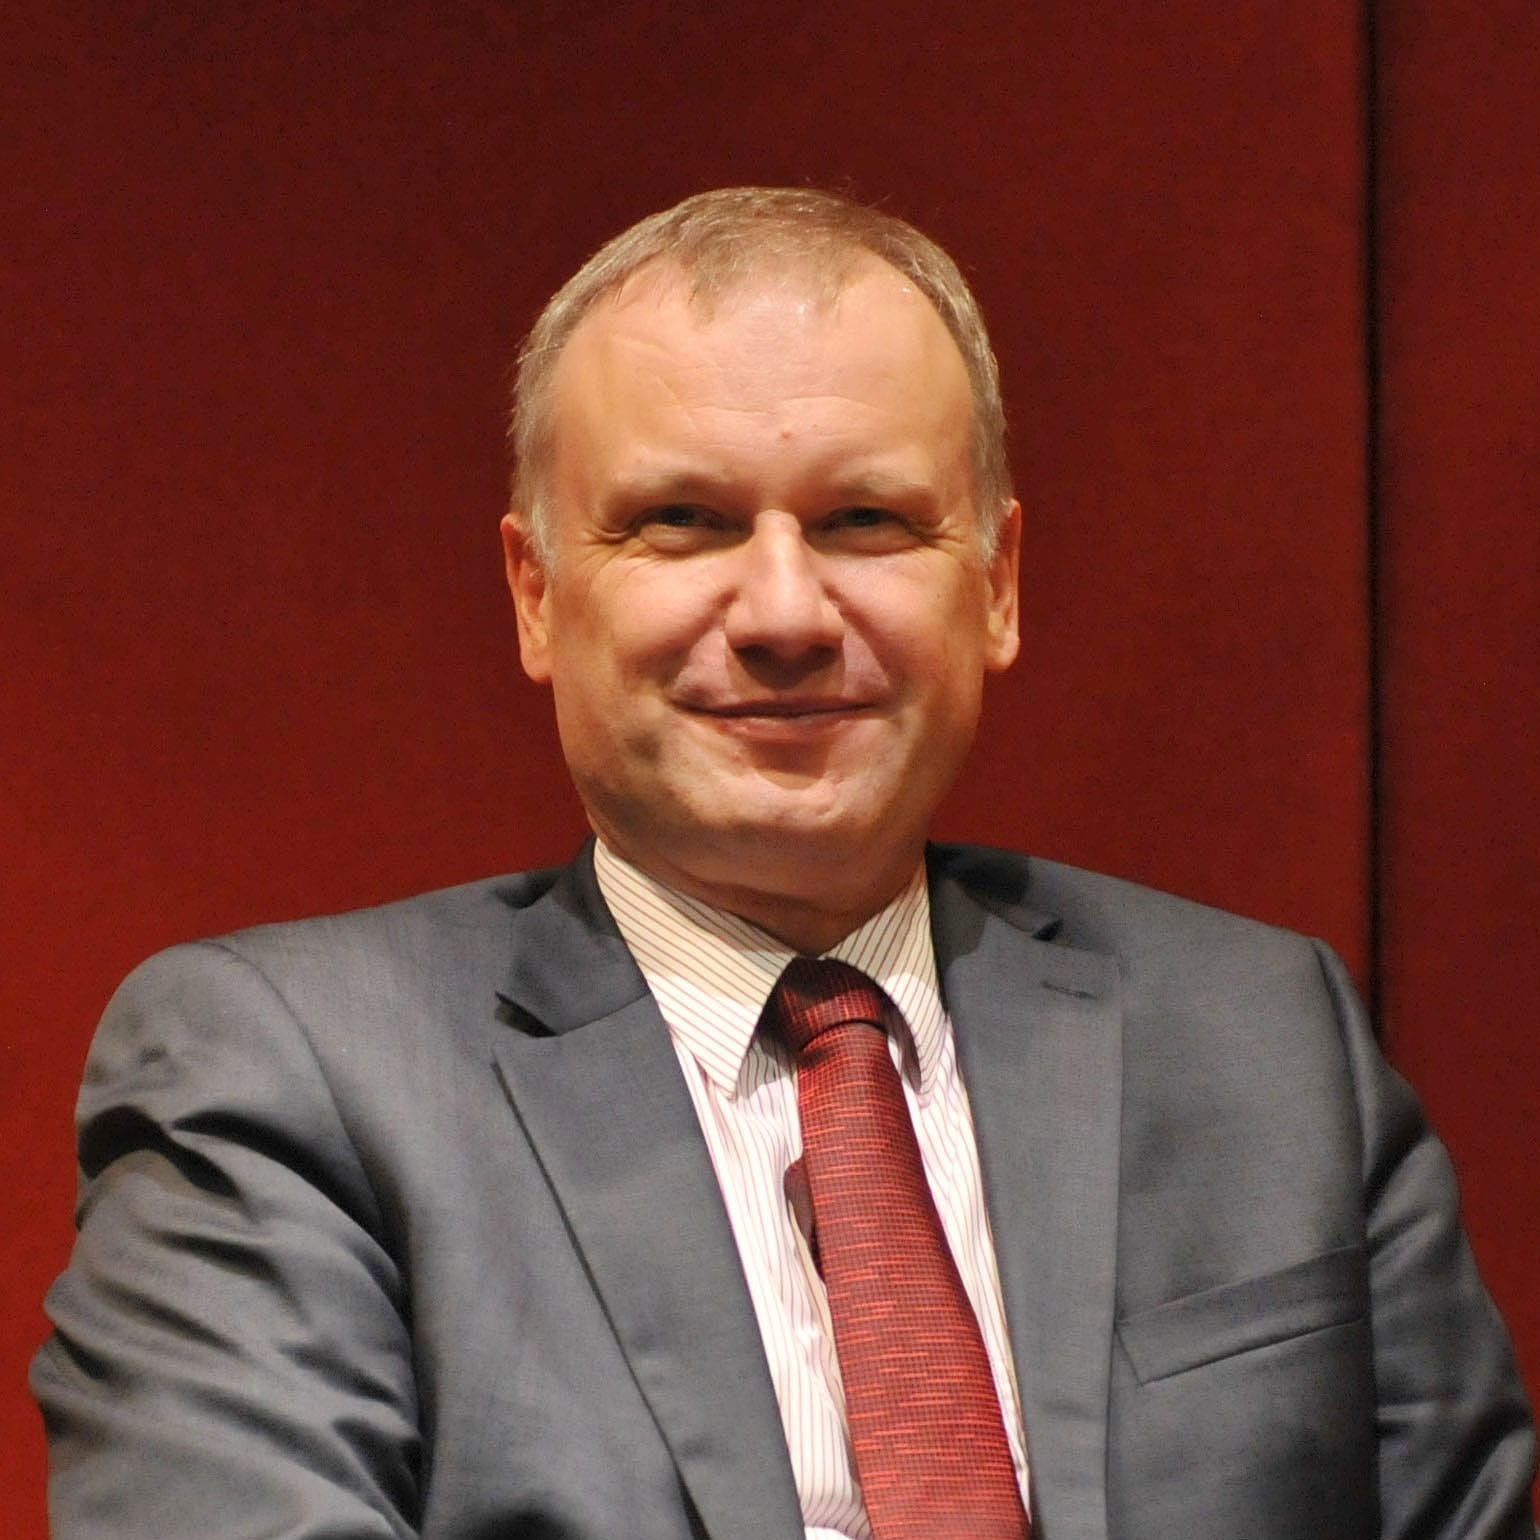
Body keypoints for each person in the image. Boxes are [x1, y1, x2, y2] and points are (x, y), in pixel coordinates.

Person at [33, 187, 1536, 1540]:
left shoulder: (1267, 1043)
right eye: (681, 523)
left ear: (998, 585)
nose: (784, 614)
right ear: (537, 595)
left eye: (866, 521)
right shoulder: (293, 1080)